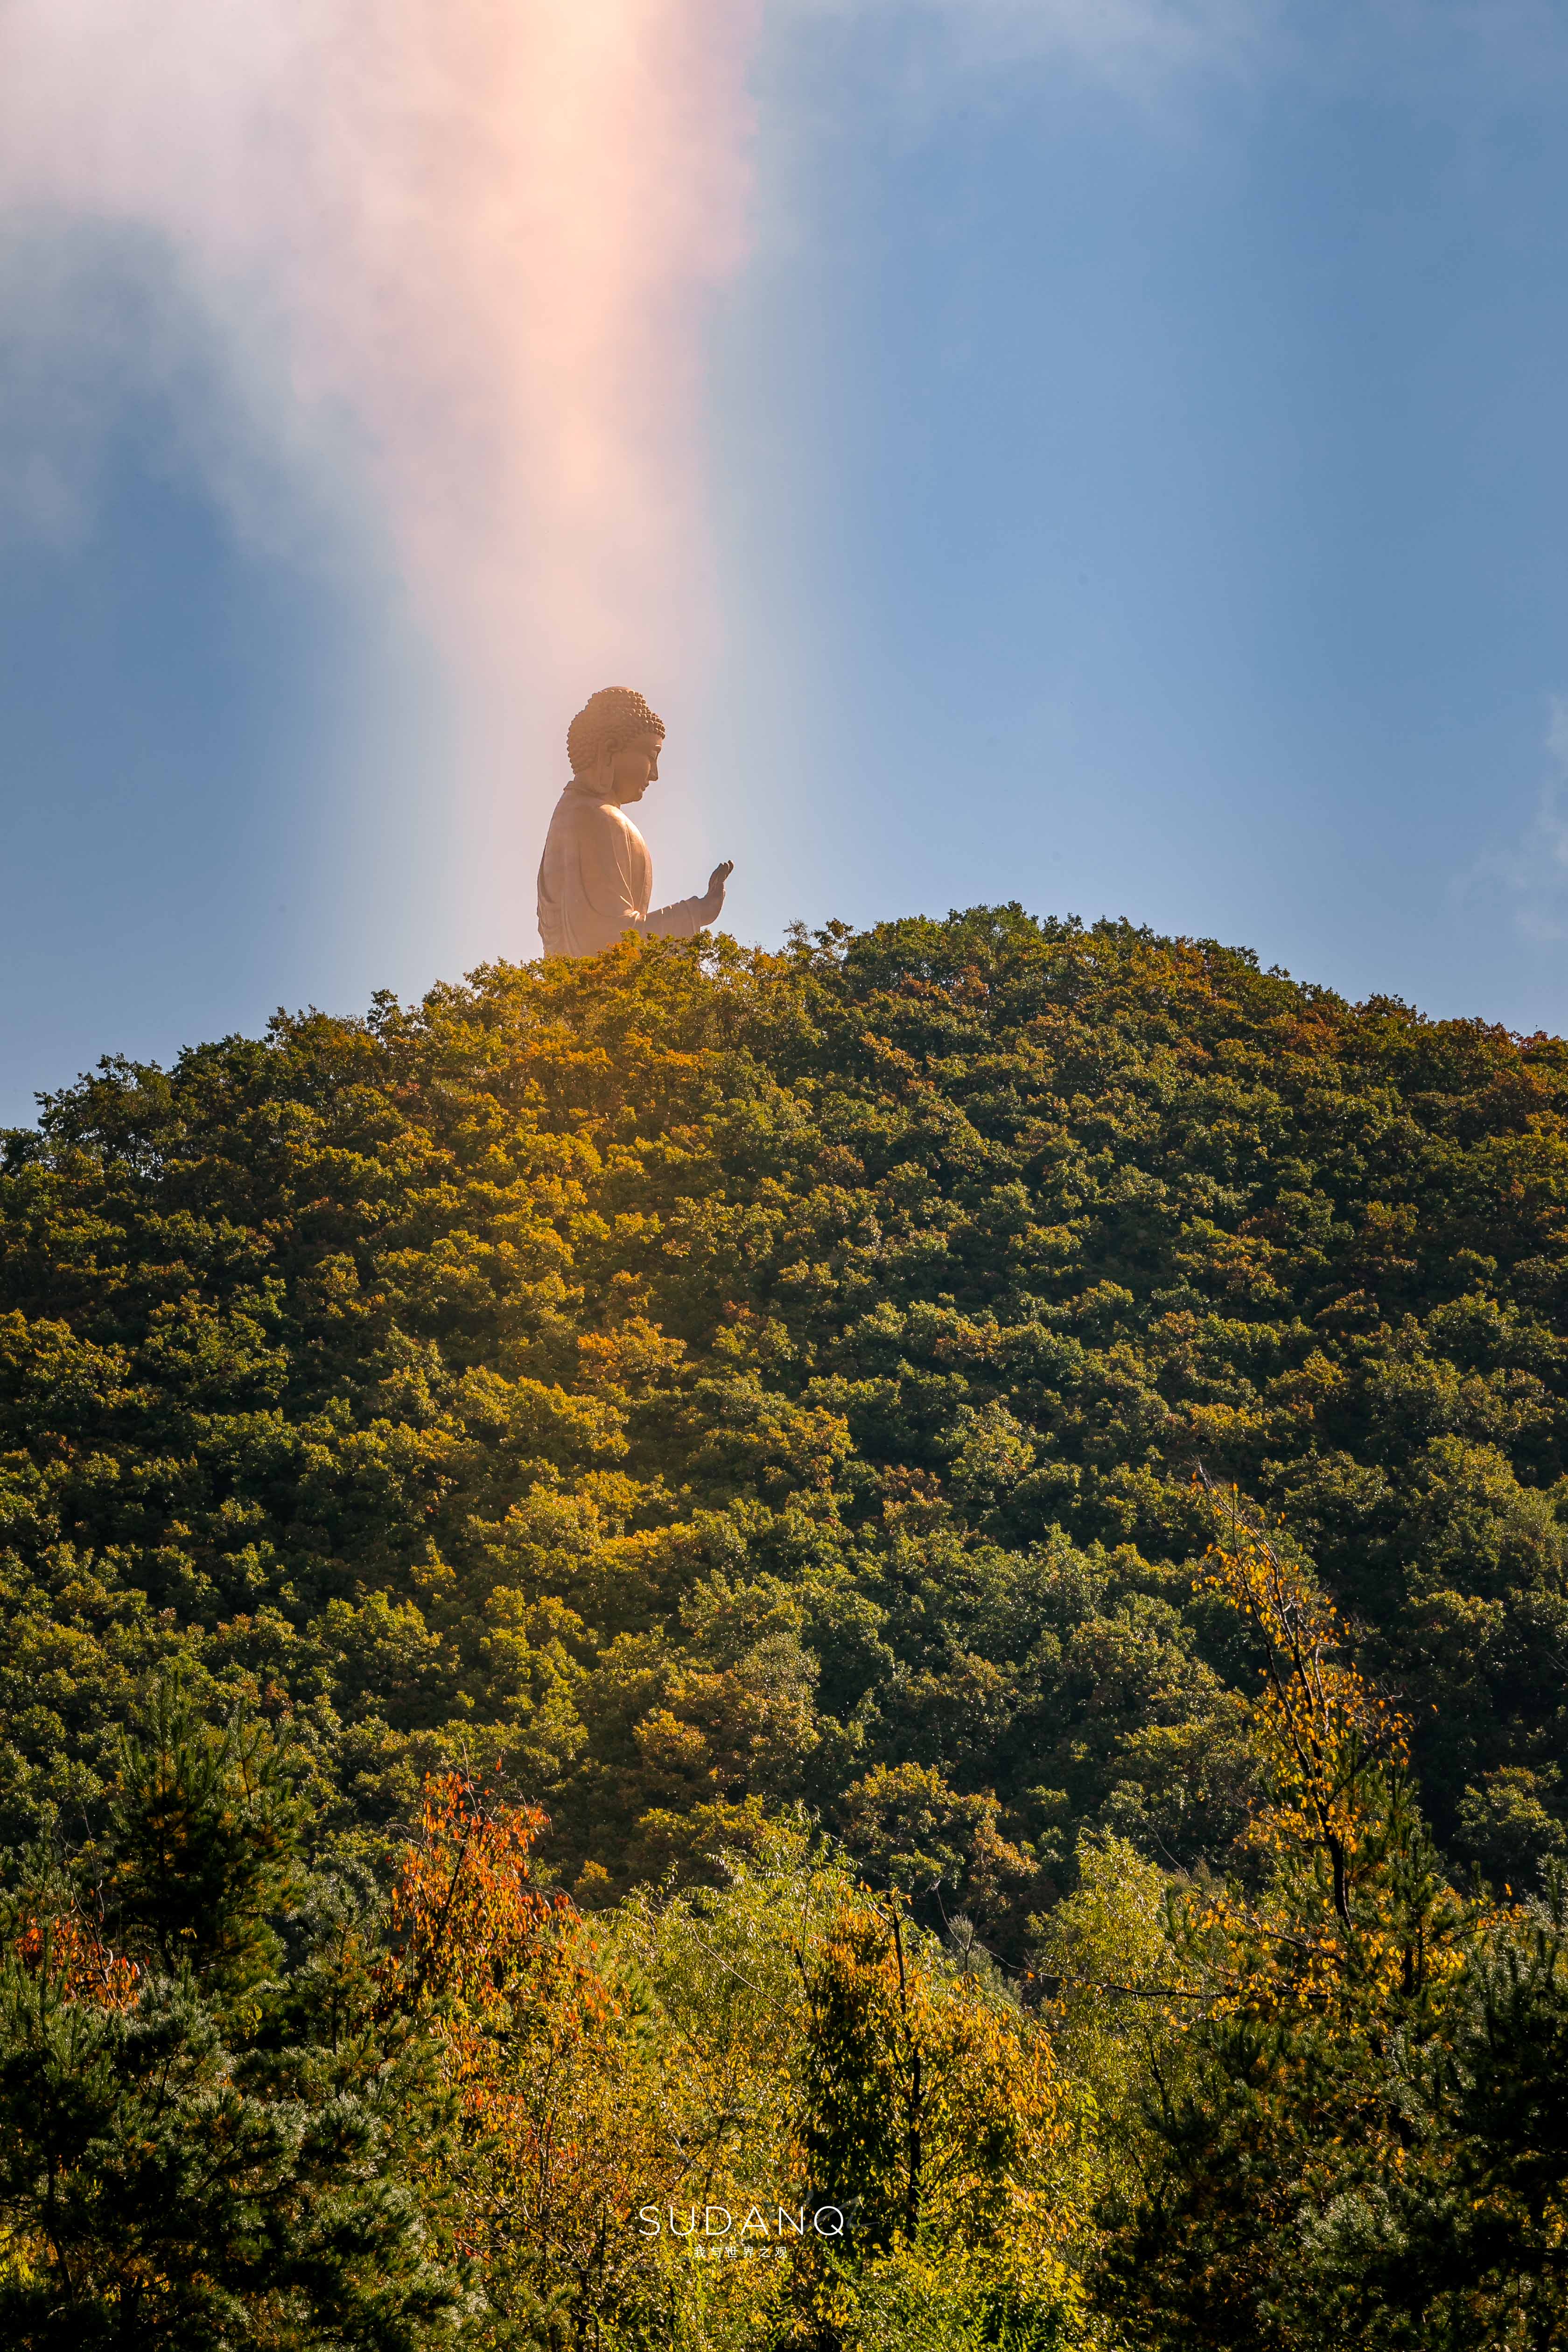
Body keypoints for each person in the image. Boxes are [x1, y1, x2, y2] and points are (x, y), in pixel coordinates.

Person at [536, 686, 733, 958]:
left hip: (574, 994)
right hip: (597, 995)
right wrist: (698, 912)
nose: (655, 775)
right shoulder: (599, 819)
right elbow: (610, 945)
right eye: (651, 756)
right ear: (608, 751)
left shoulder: (570, 813)